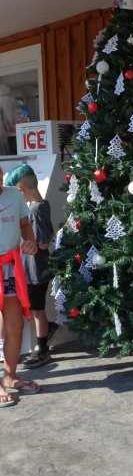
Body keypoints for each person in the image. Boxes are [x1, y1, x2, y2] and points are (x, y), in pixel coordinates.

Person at [4, 164, 54, 368]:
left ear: (20, 191)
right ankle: (46, 332)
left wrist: (28, 242)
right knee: (35, 309)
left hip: (35, 269)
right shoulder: (42, 205)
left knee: (37, 310)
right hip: (32, 269)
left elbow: (42, 242)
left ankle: (42, 349)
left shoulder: (35, 209)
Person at [0, 164, 40, 405]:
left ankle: (10, 376)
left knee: (15, 326)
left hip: (10, 267)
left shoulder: (14, 195)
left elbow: (25, 226)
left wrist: (30, 242)